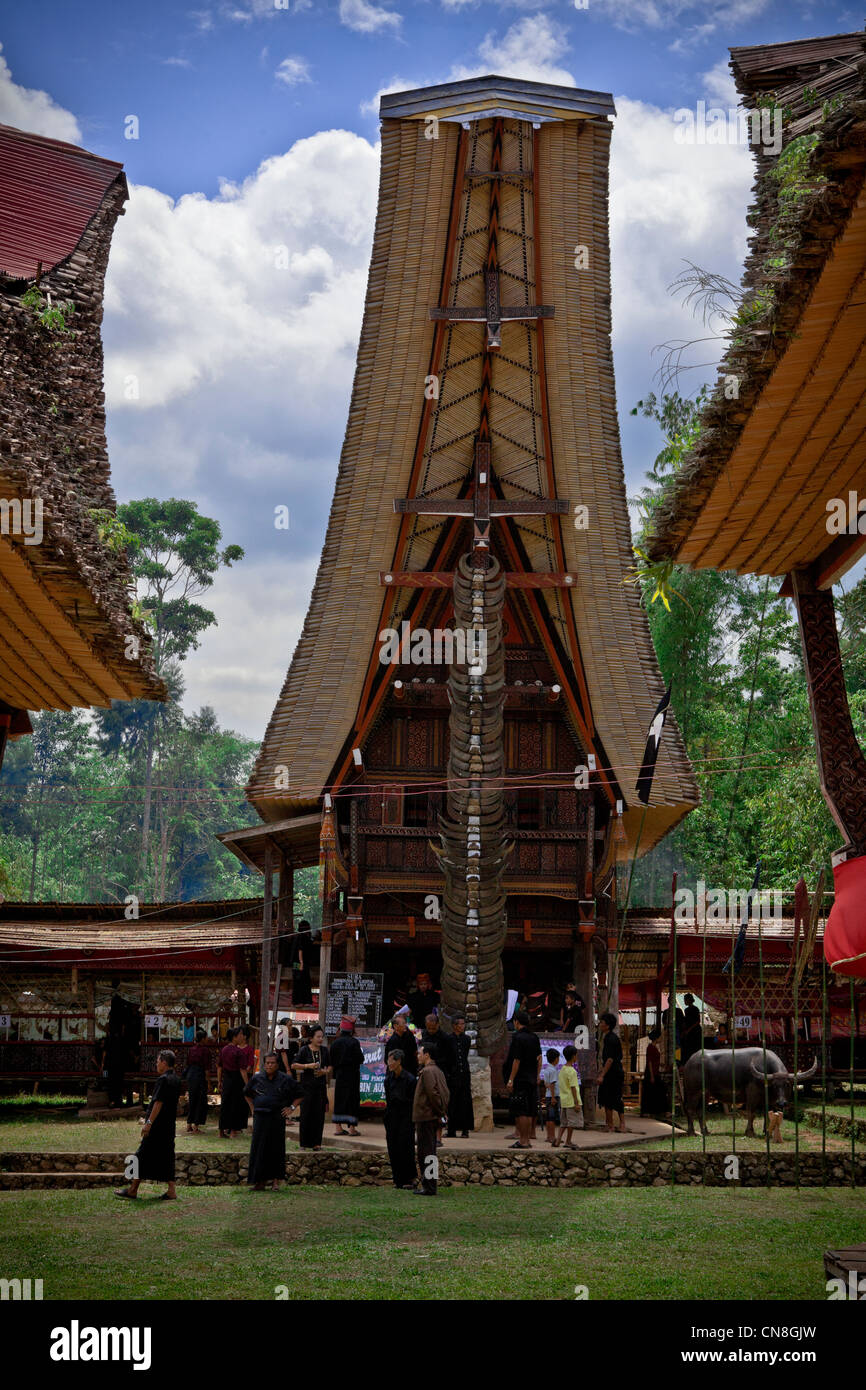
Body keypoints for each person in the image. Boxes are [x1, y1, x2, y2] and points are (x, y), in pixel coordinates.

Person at [115, 1051, 181, 1200]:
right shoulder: (176, 1080)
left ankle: (133, 1189)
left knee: (141, 1155)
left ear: (164, 1062)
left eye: (158, 1061)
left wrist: (148, 1123)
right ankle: (171, 1190)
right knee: (167, 1155)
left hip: (157, 1125)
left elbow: (158, 1103)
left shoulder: (163, 1080)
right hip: (169, 1125)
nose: (156, 1064)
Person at [244, 1052, 302, 1190]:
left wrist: (291, 1108)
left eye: (272, 1063)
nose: (269, 1065)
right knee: (259, 1149)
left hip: (277, 1117)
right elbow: (246, 1093)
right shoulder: (257, 1078)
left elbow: (301, 1094)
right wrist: (253, 1108)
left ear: (277, 1065)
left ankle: (275, 1182)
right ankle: (260, 1182)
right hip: (260, 1118)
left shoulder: (285, 1079)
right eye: (267, 1063)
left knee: (276, 1148)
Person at [412, 1044, 449, 1196]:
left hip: (426, 1117)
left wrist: (439, 1110)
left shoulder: (427, 1071)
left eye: (420, 1053)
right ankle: (430, 1184)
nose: (418, 1056)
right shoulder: (437, 1070)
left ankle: (429, 1186)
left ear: (427, 1055)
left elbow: (433, 1094)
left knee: (425, 1153)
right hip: (432, 1116)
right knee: (430, 1152)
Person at [504, 1010, 542, 1148]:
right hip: (531, 1077)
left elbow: (516, 1060)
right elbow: (539, 1058)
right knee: (529, 1109)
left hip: (521, 1078)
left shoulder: (517, 1038)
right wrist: (537, 1075)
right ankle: (527, 1139)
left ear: (516, 1022)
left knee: (521, 1111)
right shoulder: (534, 1037)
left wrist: (511, 1079)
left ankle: (523, 1140)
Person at [384, 1048, 417, 1190]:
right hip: (392, 1117)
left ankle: (409, 1178)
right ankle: (397, 1179)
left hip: (406, 1117)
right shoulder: (388, 1079)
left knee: (406, 1147)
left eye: (391, 1060)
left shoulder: (409, 1079)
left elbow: (412, 1101)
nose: (389, 1063)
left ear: (398, 1061)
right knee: (393, 1147)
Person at [294, 1024, 331, 1150]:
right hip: (306, 1087)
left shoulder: (325, 1050)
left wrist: (325, 1072)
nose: (320, 1039)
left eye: (322, 1037)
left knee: (319, 1115)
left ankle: (317, 1143)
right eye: (318, 1037)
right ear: (311, 1038)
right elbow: (294, 1065)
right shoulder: (304, 1050)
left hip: (320, 1088)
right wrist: (308, 1066)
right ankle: (303, 1144)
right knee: (306, 1115)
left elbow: (330, 1066)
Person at [329, 1017, 363, 1136]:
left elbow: (331, 1060)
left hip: (340, 1075)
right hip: (352, 1075)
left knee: (340, 1099)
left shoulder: (335, 1043)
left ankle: (338, 1128)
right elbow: (360, 1059)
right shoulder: (354, 1042)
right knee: (352, 1100)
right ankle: (352, 1129)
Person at [597, 1011, 626, 1133]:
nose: (600, 1024)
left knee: (611, 1098)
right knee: (612, 1098)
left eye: (602, 1022)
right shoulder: (610, 1038)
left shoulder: (610, 1039)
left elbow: (609, 1059)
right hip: (614, 1071)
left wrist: (602, 1075)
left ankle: (615, 1124)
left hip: (613, 1073)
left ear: (607, 1025)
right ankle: (616, 1124)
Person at [446, 1015, 474, 1138]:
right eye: (460, 1024)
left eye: (463, 1024)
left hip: (464, 1074)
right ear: (454, 1026)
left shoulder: (467, 1039)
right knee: (452, 1102)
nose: (462, 1026)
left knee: (465, 1102)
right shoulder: (448, 1039)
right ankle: (451, 1130)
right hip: (453, 1074)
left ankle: (465, 1130)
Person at [219, 1028, 247, 1138]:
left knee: (225, 1104)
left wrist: (219, 1080)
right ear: (234, 1037)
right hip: (237, 1080)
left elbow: (219, 1067)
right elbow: (242, 1070)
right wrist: (247, 1084)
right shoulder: (238, 1051)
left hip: (226, 1079)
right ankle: (233, 1131)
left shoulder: (224, 1050)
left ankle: (221, 1131)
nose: (242, 1036)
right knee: (235, 1105)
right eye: (240, 1034)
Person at [555, 1045, 583, 1148]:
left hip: (564, 1100)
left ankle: (558, 1140)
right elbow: (573, 1088)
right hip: (571, 1101)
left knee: (564, 1122)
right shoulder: (572, 1071)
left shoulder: (562, 1069)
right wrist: (576, 1102)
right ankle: (568, 1141)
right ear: (573, 1056)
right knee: (571, 1123)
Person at [184, 1029, 211, 1133]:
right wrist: (208, 1082)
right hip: (200, 1076)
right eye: (206, 1037)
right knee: (200, 1101)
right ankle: (196, 1126)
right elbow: (207, 1069)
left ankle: (188, 1125)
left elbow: (188, 1063)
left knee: (192, 1100)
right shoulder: (205, 1051)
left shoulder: (191, 1049)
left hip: (191, 1075)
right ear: (203, 1039)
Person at [640, 1026, 667, 1118]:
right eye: (659, 1037)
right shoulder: (650, 1047)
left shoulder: (655, 1047)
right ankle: (648, 1111)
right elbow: (650, 1062)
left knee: (657, 1091)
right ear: (656, 1038)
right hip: (651, 1073)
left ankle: (656, 1110)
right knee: (652, 1091)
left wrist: (661, 1065)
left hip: (655, 1071)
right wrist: (651, 1075)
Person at [540, 1048, 561, 1144]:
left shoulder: (546, 1069)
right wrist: (553, 1097)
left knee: (549, 1117)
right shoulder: (553, 1070)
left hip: (547, 1095)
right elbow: (552, 1084)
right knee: (552, 1117)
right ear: (556, 1059)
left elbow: (546, 1084)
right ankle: (552, 1137)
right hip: (553, 1096)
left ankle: (549, 1136)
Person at [290, 922, 313, 1006]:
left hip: (296, 963)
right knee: (303, 981)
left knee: (298, 981)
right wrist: (302, 963)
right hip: (300, 963)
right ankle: (302, 1001)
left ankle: (301, 1001)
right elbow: (300, 950)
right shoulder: (302, 937)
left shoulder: (297, 936)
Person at [681, 993, 702, 1063]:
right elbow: (686, 1022)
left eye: (685, 1000)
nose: (684, 1001)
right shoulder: (686, 1010)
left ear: (689, 1000)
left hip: (696, 1032)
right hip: (690, 1032)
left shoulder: (695, 1009)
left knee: (695, 1049)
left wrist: (688, 1030)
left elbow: (697, 1021)